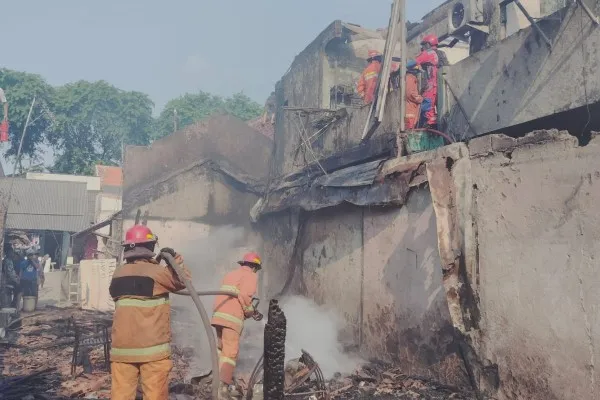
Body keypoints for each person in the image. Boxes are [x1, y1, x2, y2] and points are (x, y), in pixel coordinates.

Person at [108, 225, 191, 400]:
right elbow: (184, 281)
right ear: (150, 247)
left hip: (122, 352)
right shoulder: (157, 273)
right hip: (152, 352)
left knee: (120, 396)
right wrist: (174, 258)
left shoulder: (118, 273)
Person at [211, 252, 263, 399]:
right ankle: (222, 389)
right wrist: (250, 311)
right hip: (231, 319)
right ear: (254, 267)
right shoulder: (251, 276)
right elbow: (246, 297)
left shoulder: (231, 274)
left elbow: (235, 294)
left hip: (218, 316)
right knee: (230, 353)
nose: (255, 271)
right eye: (256, 269)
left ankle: (216, 382)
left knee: (221, 350)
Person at [415, 34, 440, 128]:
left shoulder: (428, 53)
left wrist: (402, 67)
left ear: (428, 44)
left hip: (431, 84)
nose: (423, 47)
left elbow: (415, 61)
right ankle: (433, 124)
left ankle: (429, 125)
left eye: (424, 45)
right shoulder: (439, 53)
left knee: (426, 105)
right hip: (438, 84)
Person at [405, 60, 424, 130]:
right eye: (417, 71)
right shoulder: (410, 78)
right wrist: (420, 99)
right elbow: (410, 93)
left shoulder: (409, 78)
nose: (417, 73)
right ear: (414, 71)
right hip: (410, 110)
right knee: (409, 129)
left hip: (411, 108)